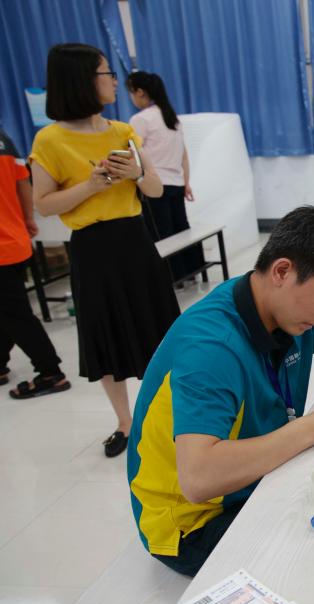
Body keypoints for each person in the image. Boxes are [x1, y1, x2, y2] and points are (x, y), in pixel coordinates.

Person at [127, 206, 314, 577]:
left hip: (253, 480)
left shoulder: (281, 308)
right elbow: (198, 479)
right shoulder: (211, 347)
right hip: (195, 523)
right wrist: (312, 428)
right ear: (282, 271)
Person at [30, 43, 179, 457]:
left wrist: (136, 173)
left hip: (135, 241)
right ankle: (125, 423)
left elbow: (155, 189)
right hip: (92, 248)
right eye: (106, 73)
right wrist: (91, 186)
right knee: (107, 335)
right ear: (81, 80)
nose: (114, 81)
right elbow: (44, 204)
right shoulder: (50, 139)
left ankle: (166, 414)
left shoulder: (122, 132)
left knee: (157, 329)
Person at [0, 127, 70, 399]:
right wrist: (27, 219)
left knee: (15, 313)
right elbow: (23, 184)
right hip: (15, 239)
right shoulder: (5, 139)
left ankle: (50, 372)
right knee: (9, 309)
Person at [126, 71, 203, 283]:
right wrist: (186, 182)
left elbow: (134, 155)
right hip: (176, 183)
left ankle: (172, 277)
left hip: (155, 185)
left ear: (140, 92)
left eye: (131, 92)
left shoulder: (140, 120)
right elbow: (183, 154)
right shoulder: (171, 117)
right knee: (181, 229)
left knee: (162, 234)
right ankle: (191, 271)